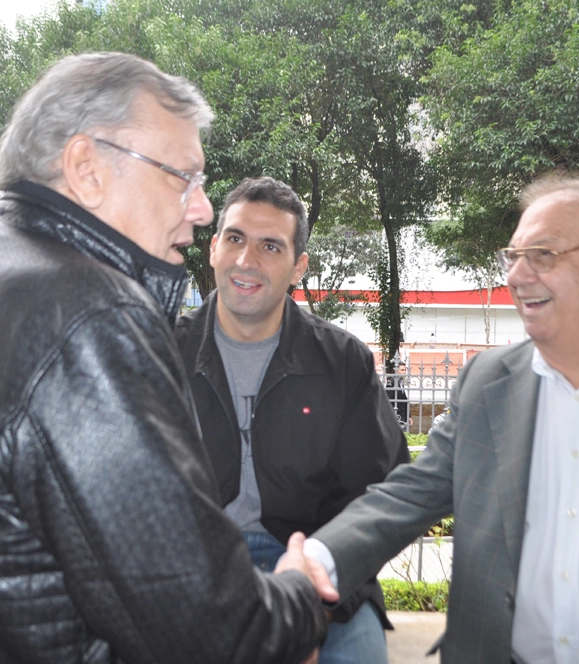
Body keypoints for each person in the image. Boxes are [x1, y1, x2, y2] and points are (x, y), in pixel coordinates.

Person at [0, 53, 334, 664]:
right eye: (181, 176)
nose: (203, 209)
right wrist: (298, 593)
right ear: (86, 168)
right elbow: (211, 630)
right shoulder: (89, 319)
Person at [307, 175, 579, 663]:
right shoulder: (487, 383)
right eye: (513, 256)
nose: (517, 276)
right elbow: (410, 494)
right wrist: (318, 558)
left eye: (543, 254)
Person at [174, 177, 409, 664]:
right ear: (214, 248)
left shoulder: (344, 363)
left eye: (270, 247)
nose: (246, 261)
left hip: (319, 567)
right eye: (235, 239)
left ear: (298, 266)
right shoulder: (159, 350)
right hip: (189, 572)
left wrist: (316, 596)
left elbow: (379, 498)